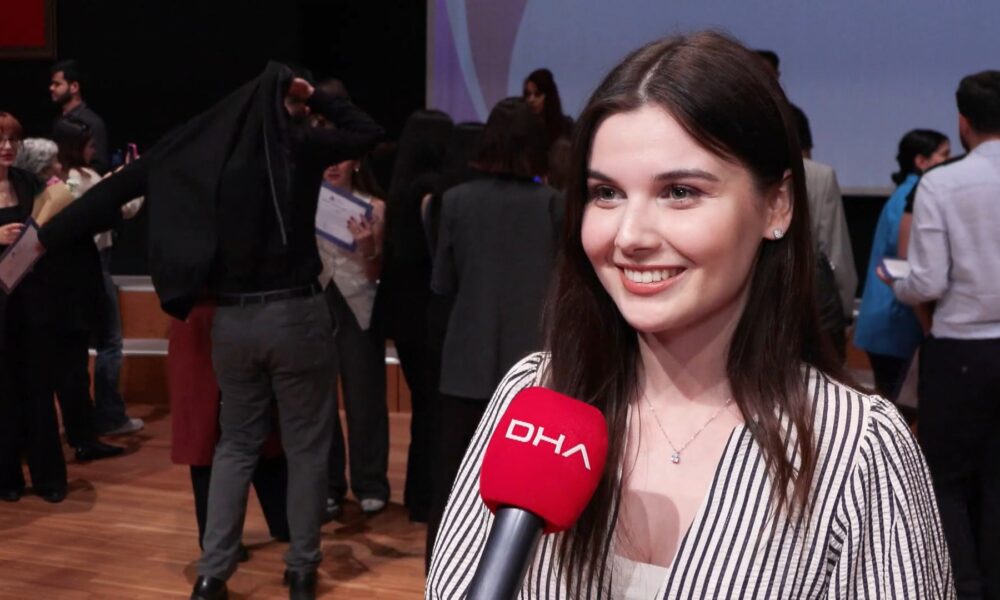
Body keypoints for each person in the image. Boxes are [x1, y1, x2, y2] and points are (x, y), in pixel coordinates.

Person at [427, 32, 954, 599]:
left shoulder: (858, 449)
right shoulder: (535, 397)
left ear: (776, 206)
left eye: (679, 191)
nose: (629, 236)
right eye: (606, 193)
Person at [36, 64, 383, 600]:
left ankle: (212, 574)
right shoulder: (300, 146)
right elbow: (367, 133)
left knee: (235, 447)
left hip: (233, 321)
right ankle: (300, 569)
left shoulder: (201, 150)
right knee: (306, 446)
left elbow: (109, 194)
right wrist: (317, 97)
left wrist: (40, 240)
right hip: (296, 315)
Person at [425, 97, 564, 565]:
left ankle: (442, 578)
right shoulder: (554, 206)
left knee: (453, 486)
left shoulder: (455, 202)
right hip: (534, 369)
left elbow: (442, 283)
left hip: (464, 363)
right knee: (529, 493)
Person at [885, 70, 1000, 599]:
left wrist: (897, 281)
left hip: (961, 349)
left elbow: (928, 281)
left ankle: (963, 586)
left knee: (948, 480)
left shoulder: (942, 183)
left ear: (963, 121)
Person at [10, 128, 125, 465]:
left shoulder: (45, 201)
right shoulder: (46, 204)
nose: (60, 169)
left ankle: (75, 437)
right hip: (60, 302)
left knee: (66, 374)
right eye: (52, 165)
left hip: (59, 301)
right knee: (68, 374)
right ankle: (80, 440)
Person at [52, 117, 145, 436]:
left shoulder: (59, 179)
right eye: (89, 145)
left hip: (69, 269)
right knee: (110, 341)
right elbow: (123, 208)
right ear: (75, 147)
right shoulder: (83, 178)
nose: (94, 150)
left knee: (76, 347)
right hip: (94, 264)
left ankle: (82, 419)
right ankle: (110, 415)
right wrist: (133, 179)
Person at [316, 156, 390, 518]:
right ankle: (329, 485)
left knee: (365, 396)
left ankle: (371, 483)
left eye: (341, 160)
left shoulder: (375, 206)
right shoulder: (306, 199)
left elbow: (376, 271)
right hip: (317, 302)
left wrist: (367, 246)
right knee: (320, 400)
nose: (333, 166)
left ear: (356, 163)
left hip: (360, 304)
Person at [854, 129, 949, 401]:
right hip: (895, 321)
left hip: (890, 321)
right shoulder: (914, 198)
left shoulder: (906, 193)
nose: (951, 161)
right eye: (944, 154)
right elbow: (906, 261)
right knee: (895, 409)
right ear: (921, 161)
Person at [50, 60, 110, 174]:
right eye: (52, 84)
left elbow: (99, 165)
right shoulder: (58, 121)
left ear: (74, 87)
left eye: (57, 84)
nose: (51, 88)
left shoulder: (93, 122)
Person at [523, 68, 574, 149]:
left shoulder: (566, 127)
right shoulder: (521, 129)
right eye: (528, 94)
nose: (531, 99)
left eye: (537, 94)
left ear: (549, 97)